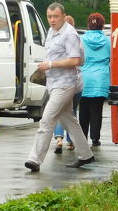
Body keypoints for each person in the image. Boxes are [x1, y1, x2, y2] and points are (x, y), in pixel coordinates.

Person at [24, 3, 94, 172]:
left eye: (56, 16)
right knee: (69, 119)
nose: (52, 20)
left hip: (65, 84)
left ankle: (35, 159)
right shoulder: (51, 31)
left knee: (46, 120)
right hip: (54, 83)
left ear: (63, 16)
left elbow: (76, 60)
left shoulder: (69, 34)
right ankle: (86, 155)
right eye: (49, 16)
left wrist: (50, 64)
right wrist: (48, 66)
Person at [79, 13, 110, 146]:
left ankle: (82, 137)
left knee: (83, 110)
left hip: (84, 78)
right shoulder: (107, 41)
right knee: (97, 110)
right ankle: (95, 138)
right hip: (101, 79)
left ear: (88, 24)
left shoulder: (81, 39)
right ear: (102, 25)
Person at [53, 15, 81, 153]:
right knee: (72, 112)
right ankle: (71, 141)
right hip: (74, 84)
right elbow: (82, 60)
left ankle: (59, 139)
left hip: (58, 82)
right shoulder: (77, 39)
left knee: (58, 112)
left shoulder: (55, 40)